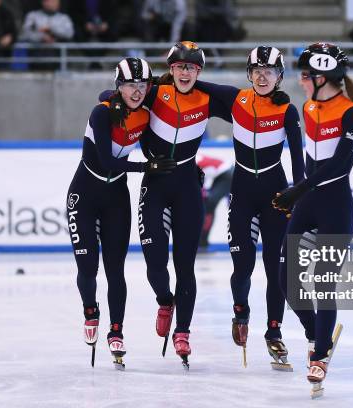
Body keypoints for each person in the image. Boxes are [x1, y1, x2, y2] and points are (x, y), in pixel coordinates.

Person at [191, 46, 304, 368]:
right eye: (256, 70)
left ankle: (273, 332)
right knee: (242, 267)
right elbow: (190, 81)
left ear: (280, 76)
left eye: (269, 71)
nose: (262, 76)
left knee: (276, 270)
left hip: (275, 196)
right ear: (248, 74)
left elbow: (298, 160)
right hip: (241, 193)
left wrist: (298, 195)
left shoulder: (288, 110)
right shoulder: (235, 99)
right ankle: (240, 310)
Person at [272, 43, 353, 390]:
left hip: (335, 207)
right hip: (308, 204)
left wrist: (296, 189)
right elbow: (313, 161)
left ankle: (318, 358)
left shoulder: (351, 113)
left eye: (304, 76)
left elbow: (340, 166)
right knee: (287, 280)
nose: (299, 82)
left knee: (324, 282)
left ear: (322, 76)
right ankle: (318, 335)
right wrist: (298, 193)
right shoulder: (309, 105)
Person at [67, 57, 176, 370]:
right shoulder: (101, 113)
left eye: (142, 85)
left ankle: (116, 330)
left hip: (116, 197)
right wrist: (146, 167)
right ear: (120, 86)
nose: (137, 90)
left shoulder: (144, 114)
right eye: (130, 84)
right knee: (88, 269)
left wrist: (183, 168)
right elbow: (106, 160)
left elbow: (162, 140)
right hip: (84, 194)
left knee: (116, 270)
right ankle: (91, 310)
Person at [133, 41, 230, 368]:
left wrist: (201, 84)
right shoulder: (153, 93)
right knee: (154, 260)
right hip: (156, 184)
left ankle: (183, 331)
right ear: (170, 69)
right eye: (179, 67)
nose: (185, 72)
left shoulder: (206, 98)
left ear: (199, 72)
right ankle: (165, 301)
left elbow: (245, 101)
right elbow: (112, 94)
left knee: (185, 266)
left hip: (187, 185)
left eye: (192, 67)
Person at [20, 0, 74, 70]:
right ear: (43, 2)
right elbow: (24, 34)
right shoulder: (33, 16)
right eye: (50, 1)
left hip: (58, 58)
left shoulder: (64, 18)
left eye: (56, 1)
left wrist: (52, 30)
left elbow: (70, 34)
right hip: (36, 58)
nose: (54, 4)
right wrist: (41, 37)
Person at [196, 153, 233, 248]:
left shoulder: (195, 163)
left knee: (209, 204)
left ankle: (203, 241)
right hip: (224, 173)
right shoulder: (196, 160)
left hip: (227, 174)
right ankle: (203, 240)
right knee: (208, 205)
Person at [68, 0, 119, 69]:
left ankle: (96, 61)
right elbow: (73, 13)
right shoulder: (76, 2)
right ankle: (94, 61)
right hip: (84, 28)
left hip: (104, 28)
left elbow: (113, 13)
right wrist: (85, 24)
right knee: (76, 32)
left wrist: (106, 24)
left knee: (114, 30)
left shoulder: (109, 2)